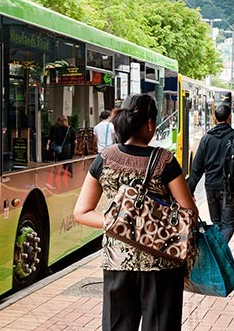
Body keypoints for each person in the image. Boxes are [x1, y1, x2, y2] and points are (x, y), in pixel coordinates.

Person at [73, 94, 197, 331]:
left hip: (118, 260)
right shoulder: (165, 160)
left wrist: (120, 224)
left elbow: (82, 212)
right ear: (150, 123)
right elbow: (189, 212)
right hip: (162, 261)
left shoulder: (104, 159)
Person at [188, 104, 234, 243]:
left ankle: (217, 253)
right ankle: (218, 253)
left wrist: (190, 190)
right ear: (230, 117)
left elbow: (196, 168)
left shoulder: (207, 138)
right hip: (229, 188)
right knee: (228, 225)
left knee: (216, 223)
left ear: (215, 118)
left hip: (211, 186)